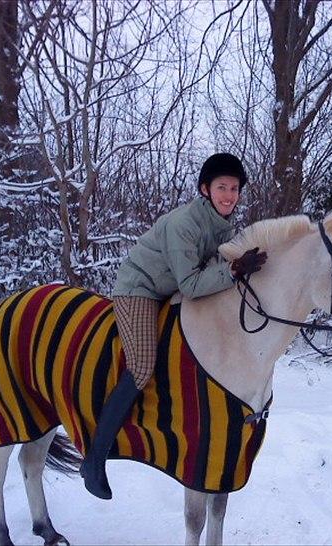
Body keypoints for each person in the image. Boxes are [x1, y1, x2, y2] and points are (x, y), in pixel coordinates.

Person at [80, 152, 268, 499]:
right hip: (140, 289)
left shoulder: (219, 223)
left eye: (234, 188)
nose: (229, 195)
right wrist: (234, 270)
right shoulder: (185, 223)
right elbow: (193, 285)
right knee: (140, 367)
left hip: (168, 288)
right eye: (222, 187)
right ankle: (94, 459)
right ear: (205, 189)